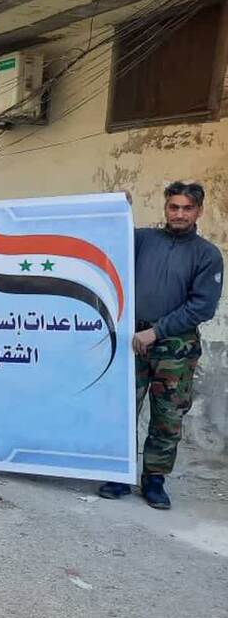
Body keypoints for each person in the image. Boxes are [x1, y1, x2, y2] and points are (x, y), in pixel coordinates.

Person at [99, 181, 223, 509]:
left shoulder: (207, 255)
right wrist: (118, 206)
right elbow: (111, 239)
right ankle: (119, 474)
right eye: (173, 207)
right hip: (132, 339)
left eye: (187, 208)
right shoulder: (143, 240)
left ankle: (154, 480)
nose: (179, 214)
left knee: (167, 416)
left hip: (176, 346)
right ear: (165, 208)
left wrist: (157, 331)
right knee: (123, 409)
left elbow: (202, 307)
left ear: (199, 211)